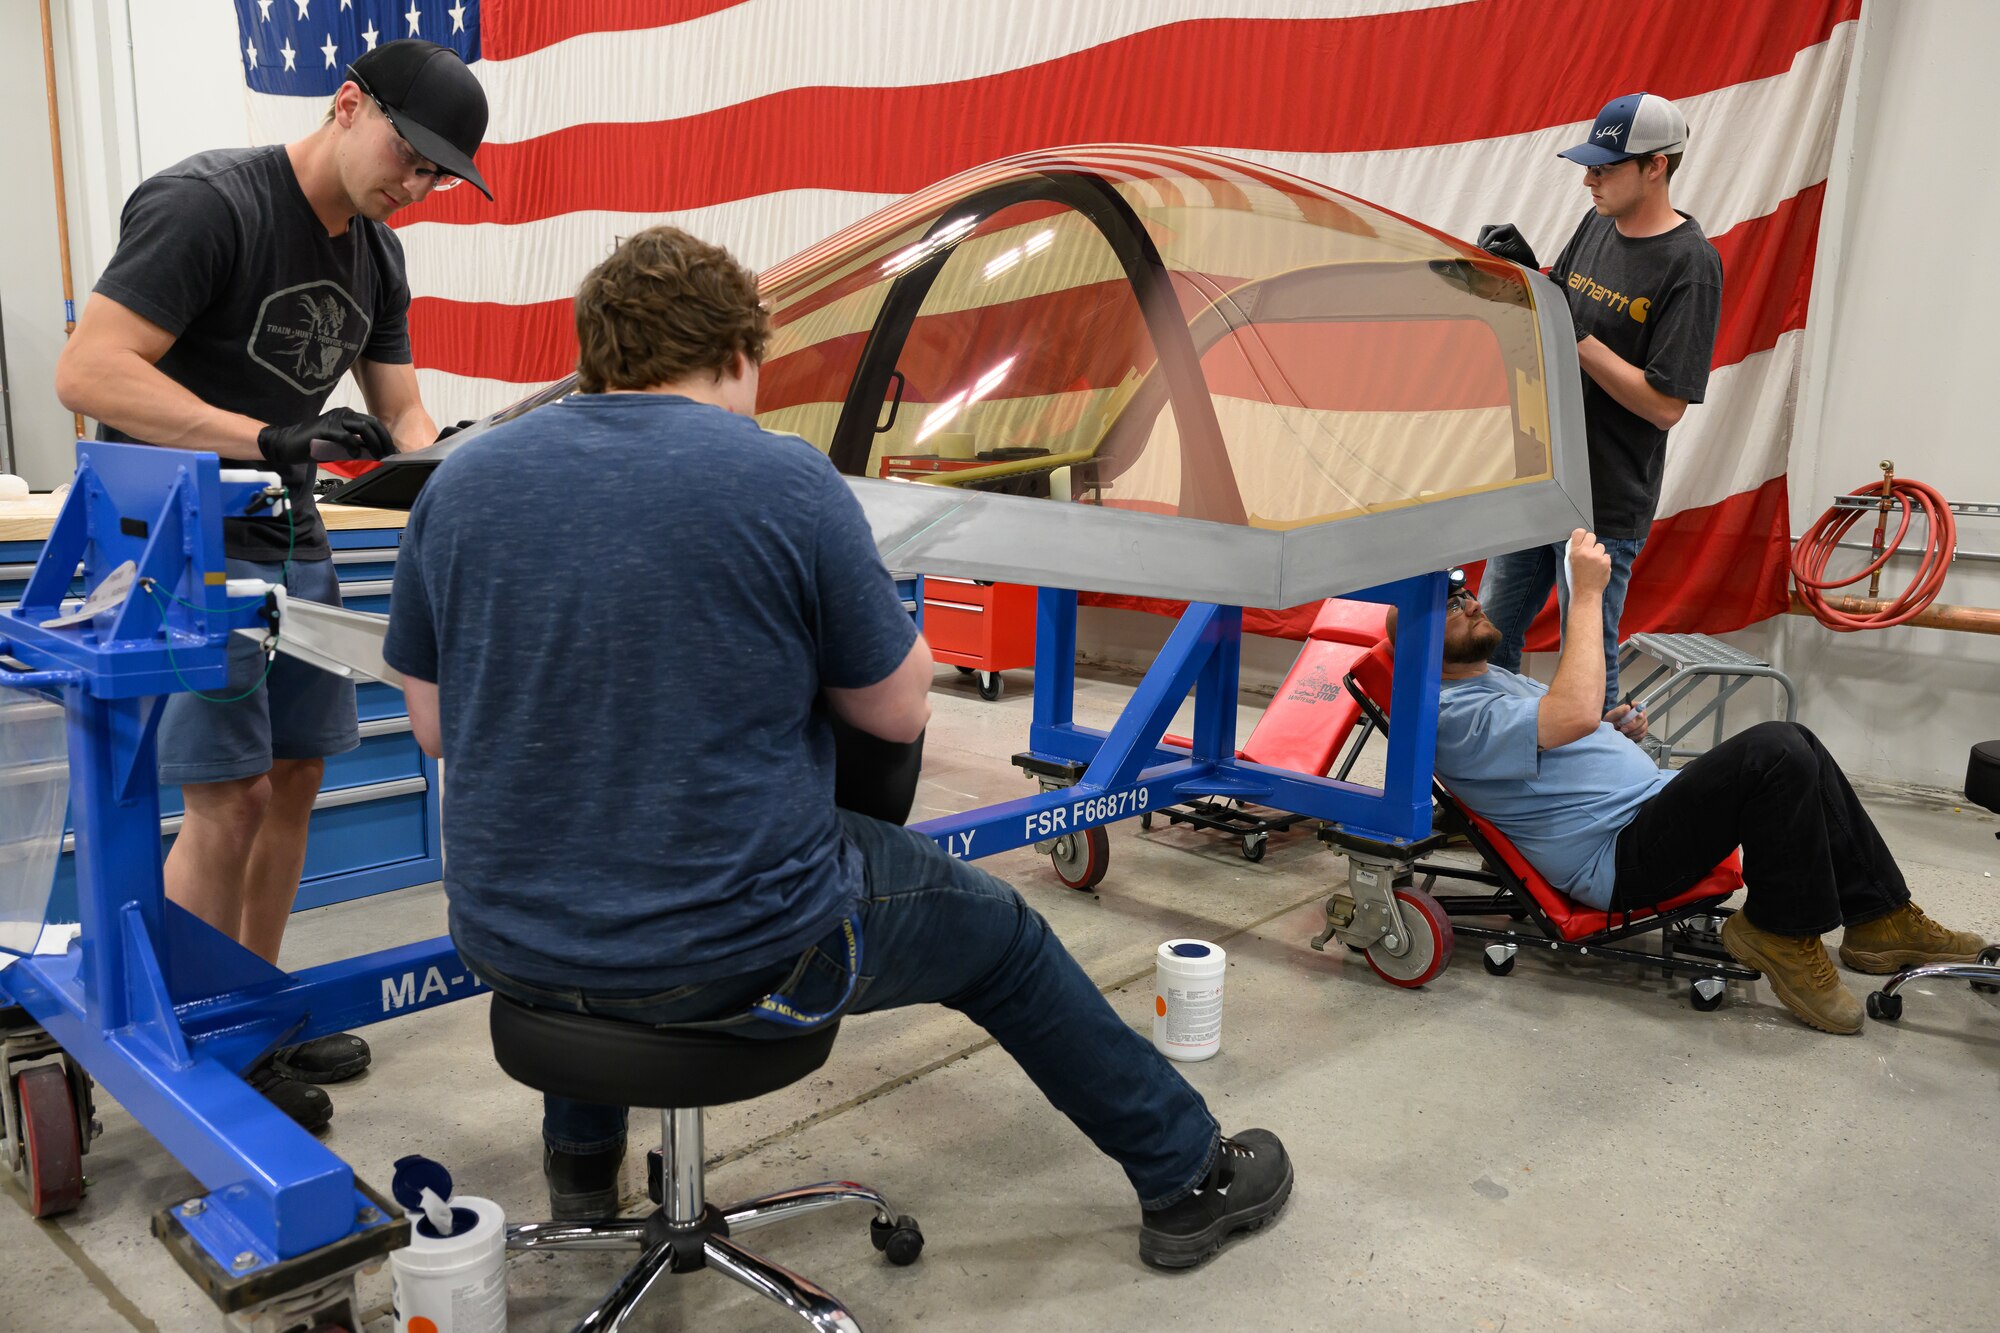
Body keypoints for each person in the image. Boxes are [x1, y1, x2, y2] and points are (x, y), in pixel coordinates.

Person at [380, 225, 1293, 1269]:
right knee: (1000, 938)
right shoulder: (781, 480)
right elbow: (898, 713)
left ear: (597, 353)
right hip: (742, 958)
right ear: (736, 355)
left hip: (513, 948)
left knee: (591, 848)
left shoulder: (459, 483)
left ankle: (584, 1182)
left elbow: (436, 727)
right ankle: (1185, 1176)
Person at [52, 40, 494, 1131]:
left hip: (282, 524)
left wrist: (443, 463)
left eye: (441, 173)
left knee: (294, 774)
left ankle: (252, 1015)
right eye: (412, 154)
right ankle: (195, 1033)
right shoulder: (211, 205)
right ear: (349, 106)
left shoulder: (375, 256)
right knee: (227, 793)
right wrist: (265, 435)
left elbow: (402, 411)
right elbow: (89, 371)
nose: (419, 185)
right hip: (173, 533)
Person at [1414, 530, 1986, 1035]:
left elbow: (1566, 728)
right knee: (1775, 751)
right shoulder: (1445, 713)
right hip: (1617, 856)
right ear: (1423, 643)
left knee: (1799, 744)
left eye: (1465, 593)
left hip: (1644, 813)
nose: (1469, 603)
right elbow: (1569, 714)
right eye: (1451, 606)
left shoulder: (1498, 680)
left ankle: (1878, 918)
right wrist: (1585, 593)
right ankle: (1779, 931)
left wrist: (1611, 731)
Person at [1479, 92, 1723, 713]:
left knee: (1586, 666)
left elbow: (1666, 406)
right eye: (1589, 165)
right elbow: (1557, 319)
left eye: (1606, 167)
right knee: (1482, 642)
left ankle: (1604, 801)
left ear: (1656, 167)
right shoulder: (1598, 221)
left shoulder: (1690, 264)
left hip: (1604, 500)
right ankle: (1487, 792)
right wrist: (1522, 279)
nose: (1589, 179)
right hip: (1542, 471)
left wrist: (1573, 327)